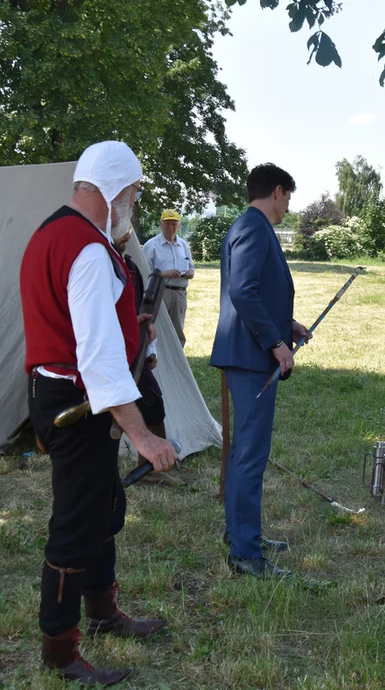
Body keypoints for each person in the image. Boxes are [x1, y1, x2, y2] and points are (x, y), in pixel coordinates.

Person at [21, 141, 179, 686]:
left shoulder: (53, 233)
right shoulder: (86, 249)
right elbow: (97, 357)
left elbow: (85, 324)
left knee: (104, 507)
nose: (133, 201)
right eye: (132, 191)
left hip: (68, 397)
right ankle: (60, 653)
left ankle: (104, 613)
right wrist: (144, 436)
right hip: (76, 403)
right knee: (75, 524)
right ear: (113, 189)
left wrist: (135, 323)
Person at [210, 163, 311, 579]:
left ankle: (241, 533)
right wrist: (275, 343)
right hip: (252, 357)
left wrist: (285, 325)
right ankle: (246, 553)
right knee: (250, 455)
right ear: (277, 192)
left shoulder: (248, 225)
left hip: (250, 351)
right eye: (288, 197)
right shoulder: (253, 226)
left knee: (244, 454)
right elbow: (243, 289)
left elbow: (252, 291)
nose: (288, 206)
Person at [111, 229, 182, 487]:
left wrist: (149, 349)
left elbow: (144, 312)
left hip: (133, 349)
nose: (127, 235)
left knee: (152, 401)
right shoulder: (97, 264)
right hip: (107, 354)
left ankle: (150, 468)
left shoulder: (128, 267)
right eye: (120, 231)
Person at [143, 209, 195, 347]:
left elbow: (192, 268)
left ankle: (178, 363)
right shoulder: (151, 245)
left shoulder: (183, 245)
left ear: (178, 225)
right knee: (159, 328)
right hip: (161, 291)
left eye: (174, 224)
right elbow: (144, 271)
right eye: (167, 224)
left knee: (178, 329)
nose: (170, 228)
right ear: (161, 224)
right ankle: (157, 361)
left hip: (180, 292)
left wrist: (190, 273)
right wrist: (164, 273)